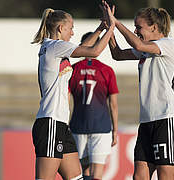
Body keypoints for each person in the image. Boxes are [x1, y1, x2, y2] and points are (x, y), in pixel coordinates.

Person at [31, 4, 115, 180]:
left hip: (60, 124)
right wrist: (112, 27)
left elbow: (83, 47)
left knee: (76, 177)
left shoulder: (55, 47)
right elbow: (94, 51)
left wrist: (100, 28)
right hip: (50, 123)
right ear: (61, 28)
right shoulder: (55, 46)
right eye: (71, 28)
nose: (72, 33)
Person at [106, 4, 174, 180]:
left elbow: (138, 44)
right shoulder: (146, 48)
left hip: (167, 119)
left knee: (164, 176)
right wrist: (109, 29)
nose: (135, 31)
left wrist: (116, 22)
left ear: (154, 27)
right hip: (147, 121)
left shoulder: (167, 44)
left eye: (139, 27)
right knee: (139, 177)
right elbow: (118, 54)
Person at [69, 29, 119, 180]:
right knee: (97, 173)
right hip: (101, 126)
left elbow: (66, 100)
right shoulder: (107, 70)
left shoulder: (73, 69)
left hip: (78, 125)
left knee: (83, 172)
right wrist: (115, 130)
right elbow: (113, 104)